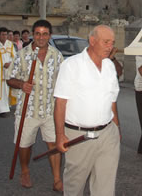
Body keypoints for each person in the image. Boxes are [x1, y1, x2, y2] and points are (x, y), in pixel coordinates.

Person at [54, 25, 121, 196]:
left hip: (108, 134)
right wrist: (60, 135)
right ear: (92, 41)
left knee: (105, 185)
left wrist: (116, 128)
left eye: (112, 43)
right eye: (106, 42)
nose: (110, 47)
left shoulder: (109, 67)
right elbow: (60, 102)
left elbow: (112, 100)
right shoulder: (71, 65)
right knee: (74, 184)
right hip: (78, 136)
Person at [7, 20, 64, 190]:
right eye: (38, 33)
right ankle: (24, 171)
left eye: (45, 34)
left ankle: (56, 179)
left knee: (54, 145)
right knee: (24, 145)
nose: (41, 37)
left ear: (50, 36)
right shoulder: (22, 54)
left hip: (50, 109)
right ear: (32, 34)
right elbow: (10, 78)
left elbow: (64, 81)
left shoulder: (57, 55)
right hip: (28, 110)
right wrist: (21, 84)